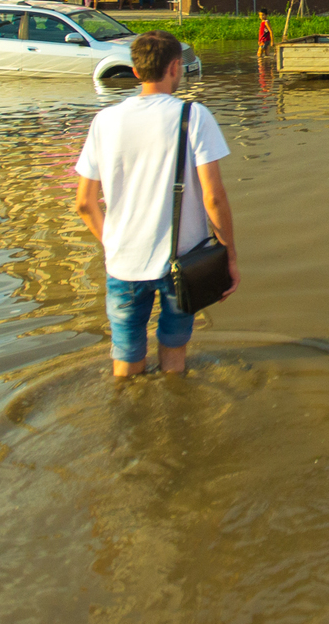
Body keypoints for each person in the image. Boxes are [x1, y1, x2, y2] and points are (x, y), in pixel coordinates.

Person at [72, 32, 237, 379]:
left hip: (122, 265)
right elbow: (214, 197)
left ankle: (127, 416)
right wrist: (229, 257)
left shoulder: (104, 121)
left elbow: (85, 204)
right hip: (182, 265)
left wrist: (114, 244)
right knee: (174, 360)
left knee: (126, 362)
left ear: (135, 71)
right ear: (175, 67)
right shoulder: (194, 116)